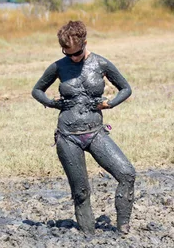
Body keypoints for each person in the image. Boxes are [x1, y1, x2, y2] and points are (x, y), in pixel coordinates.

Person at [32, 20, 135, 235]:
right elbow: (37, 90)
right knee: (81, 192)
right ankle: (87, 235)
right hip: (68, 136)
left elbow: (125, 88)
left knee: (126, 173)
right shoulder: (58, 66)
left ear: (85, 43)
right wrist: (52, 103)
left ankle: (123, 230)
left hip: (96, 132)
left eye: (76, 53)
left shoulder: (101, 64)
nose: (72, 58)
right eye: (67, 53)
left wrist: (110, 103)